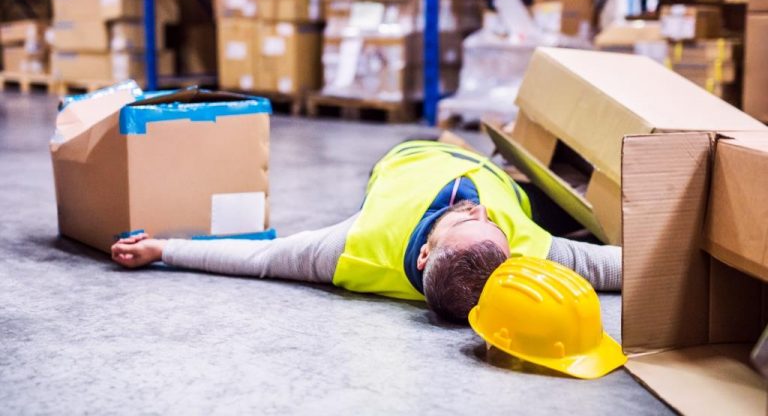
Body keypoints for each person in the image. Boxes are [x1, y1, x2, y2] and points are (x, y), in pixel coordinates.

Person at [111, 139, 621, 323]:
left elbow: (263, 259)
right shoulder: (528, 255)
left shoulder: (354, 250)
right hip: (480, 166)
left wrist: (163, 249)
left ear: (422, 258)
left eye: (478, 219)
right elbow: (616, 265)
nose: (483, 213)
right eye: (480, 220)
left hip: (409, 154)